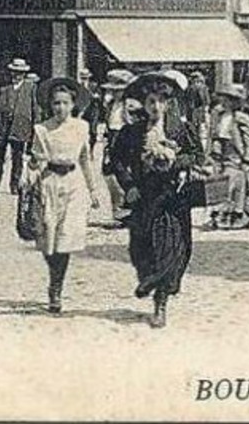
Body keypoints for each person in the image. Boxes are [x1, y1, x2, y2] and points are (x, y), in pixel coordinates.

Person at [110, 69, 204, 327]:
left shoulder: (181, 129)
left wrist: (175, 160)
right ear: (144, 103)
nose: (155, 107)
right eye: (151, 102)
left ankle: (160, 303)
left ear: (168, 103)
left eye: (160, 102)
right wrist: (128, 185)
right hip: (144, 196)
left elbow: (198, 156)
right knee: (140, 248)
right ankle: (148, 279)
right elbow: (116, 160)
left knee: (170, 248)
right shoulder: (132, 132)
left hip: (173, 198)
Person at [24, 77, 103, 314]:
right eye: (56, 103)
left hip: (74, 185)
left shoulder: (81, 127)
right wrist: (29, 175)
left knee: (65, 240)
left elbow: (85, 160)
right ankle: (53, 277)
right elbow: (36, 161)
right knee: (49, 240)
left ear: (73, 104)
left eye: (65, 103)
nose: (60, 108)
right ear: (50, 105)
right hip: (50, 184)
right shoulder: (41, 129)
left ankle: (56, 289)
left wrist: (92, 189)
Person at [208, 83, 249, 230]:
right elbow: (215, 135)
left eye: (227, 99)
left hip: (236, 154)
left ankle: (226, 214)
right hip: (222, 153)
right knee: (235, 186)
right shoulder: (220, 115)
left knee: (228, 183)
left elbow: (248, 141)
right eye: (223, 99)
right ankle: (235, 216)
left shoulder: (241, 118)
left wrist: (247, 158)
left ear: (234, 101)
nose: (223, 102)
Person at [0, 57, 40, 195]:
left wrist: (35, 127)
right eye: (14, 72)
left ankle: (14, 185)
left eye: (19, 72)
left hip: (20, 128)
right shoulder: (2, 88)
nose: (16, 75)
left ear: (24, 74)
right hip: (0, 128)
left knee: (17, 159)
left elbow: (35, 109)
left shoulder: (31, 88)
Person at [98, 69, 136, 223]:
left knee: (125, 173)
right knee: (109, 172)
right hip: (113, 139)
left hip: (126, 139)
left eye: (117, 91)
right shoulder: (111, 105)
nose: (114, 93)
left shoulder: (131, 106)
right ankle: (118, 207)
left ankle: (128, 209)